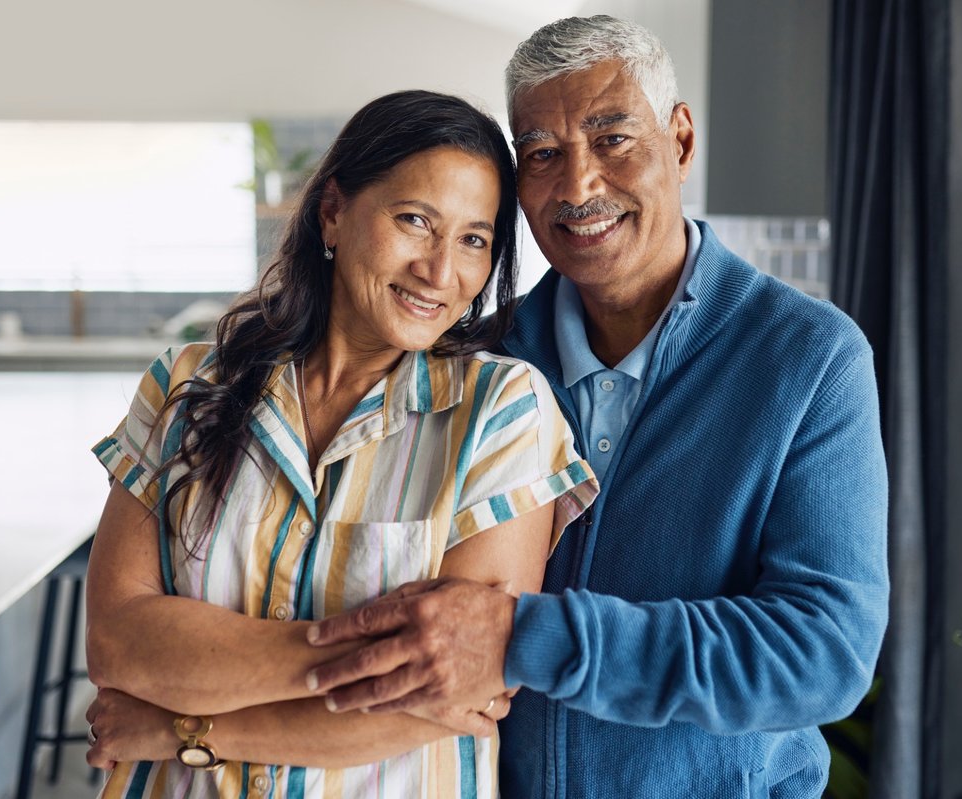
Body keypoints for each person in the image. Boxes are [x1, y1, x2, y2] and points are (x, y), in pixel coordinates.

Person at [299, 16, 890, 797]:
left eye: (613, 139)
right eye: (542, 154)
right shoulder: (475, 361)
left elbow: (824, 653)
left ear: (679, 141)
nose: (577, 187)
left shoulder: (810, 358)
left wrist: (525, 637)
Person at [82, 89, 598, 799]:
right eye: (415, 220)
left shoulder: (502, 413)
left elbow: (449, 693)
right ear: (333, 211)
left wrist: (181, 728)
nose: (441, 271)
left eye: (475, 240)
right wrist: (376, 655)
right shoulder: (185, 385)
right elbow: (118, 642)